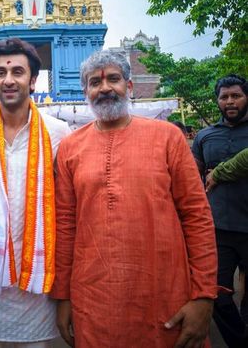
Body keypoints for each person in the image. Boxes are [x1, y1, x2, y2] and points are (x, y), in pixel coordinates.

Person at [52, 50, 218, 347]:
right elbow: (64, 227)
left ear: (129, 87)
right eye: (94, 82)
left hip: (164, 293)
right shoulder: (69, 148)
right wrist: (62, 296)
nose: (104, 88)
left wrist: (204, 296)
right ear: (86, 92)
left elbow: (197, 217)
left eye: (113, 79)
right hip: (94, 300)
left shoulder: (169, 137)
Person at [0, 38, 70, 347]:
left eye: (17, 72)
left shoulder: (58, 132)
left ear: (32, 80)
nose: (8, 80)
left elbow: (66, 204)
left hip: (36, 285)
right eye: (0, 72)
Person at [192, 74, 248, 347]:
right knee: (217, 295)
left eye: (236, 95)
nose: (230, 102)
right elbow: (192, 178)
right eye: (224, 97)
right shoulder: (204, 135)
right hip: (218, 230)